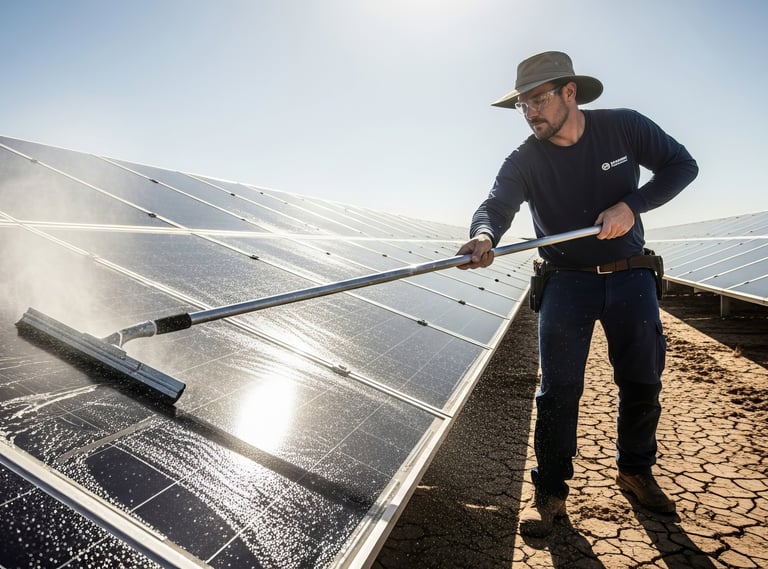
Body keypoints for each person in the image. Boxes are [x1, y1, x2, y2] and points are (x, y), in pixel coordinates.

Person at [457, 51, 698, 537]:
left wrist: (632, 204)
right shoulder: (526, 158)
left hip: (631, 276)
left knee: (642, 381)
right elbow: (495, 205)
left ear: (570, 92)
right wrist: (484, 236)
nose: (530, 113)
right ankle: (550, 492)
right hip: (566, 284)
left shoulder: (625, 128)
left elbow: (682, 166)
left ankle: (635, 470)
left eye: (538, 100)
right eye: (523, 105)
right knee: (558, 393)